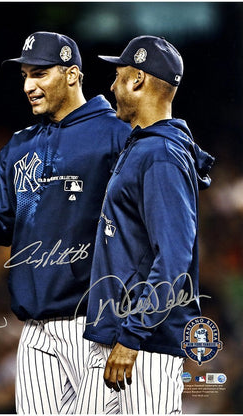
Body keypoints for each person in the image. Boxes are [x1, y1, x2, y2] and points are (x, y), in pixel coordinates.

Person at [0, 31, 131, 414]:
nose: (29, 85)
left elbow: (141, 229)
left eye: (40, 74)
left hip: (94, 325)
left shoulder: (116, 134)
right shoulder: (20, 144)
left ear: (73, 75)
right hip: (35, 330)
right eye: (25, 75)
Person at [75, 35, 215, 414]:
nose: (111, 84)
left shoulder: (161, 154)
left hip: (144, 346)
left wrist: (134, 336)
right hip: (122, 338)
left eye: (118, 75)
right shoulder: (147, 146)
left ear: (137, 80)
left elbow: (173, 258)